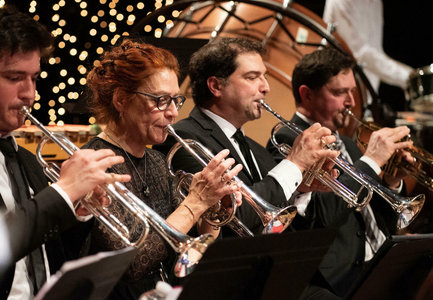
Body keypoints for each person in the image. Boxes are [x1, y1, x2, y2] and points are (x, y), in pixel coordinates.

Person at [69, 39, 243, 299]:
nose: (173, 112)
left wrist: (212, 211)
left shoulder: (158, 161)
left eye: (176, 100)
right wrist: (196, 202)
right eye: (161, 100)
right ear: (121, 100)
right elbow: (134, 264)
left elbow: (182, 253)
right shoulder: (94, 165)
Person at [0, 5, 130, 298]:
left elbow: (47, 256)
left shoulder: (23, 158)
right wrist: (63, 191)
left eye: (33, 78)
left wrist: (77, 209)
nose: (29, 94)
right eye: (13, 78)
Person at [266, 47, 414, 298]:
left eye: (352, 92)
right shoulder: (288, 141)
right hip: (336, 279)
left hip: (381, 263)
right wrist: (371, 160)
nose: (351, 103)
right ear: (307, 94)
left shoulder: (350, 146)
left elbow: (385, 221)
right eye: (339, 92)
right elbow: (324, 215)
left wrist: (392, 179)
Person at [153, 37, 339, 235]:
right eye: (252, 77)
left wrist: (301, 188)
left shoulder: (256, 150)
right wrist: (294, 164)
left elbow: (284, 228)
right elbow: (232, 218)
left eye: (264, 76)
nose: (265, 87)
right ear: (216, 86)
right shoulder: (183, 138)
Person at [323, 0, 413, 111]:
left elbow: (376, 51)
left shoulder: (376, 2)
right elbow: (359, 53)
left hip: (368, 99)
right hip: (341, 100)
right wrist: (407, 77)